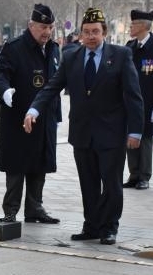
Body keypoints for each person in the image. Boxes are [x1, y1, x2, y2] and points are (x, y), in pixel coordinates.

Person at [24, 7, 143, 246]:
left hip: (111, 134)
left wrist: (136, 130)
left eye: (95, 32)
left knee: (111, 184)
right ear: (80, 33)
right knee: (88, 184)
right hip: (82, 134)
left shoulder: (120, 56)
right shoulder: (72, 57)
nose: (91, 36)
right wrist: (34, 108)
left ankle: (109, 227)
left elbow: (133, 96)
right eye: (87, 32)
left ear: (104, 33)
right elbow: (52, 87)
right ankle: (92, 226)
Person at [0, 4, 61, 225]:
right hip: (19, 116)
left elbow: (58, 79)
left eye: (50, 27)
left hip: (45, 116)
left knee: (40, 163)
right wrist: (4, 92)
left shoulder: (53, 48)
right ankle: (11, 210)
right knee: (16, 165)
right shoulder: (15, 48)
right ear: (31, 25)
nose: (47, 32)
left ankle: (34, 208)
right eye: (43, 27)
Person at [123, 9, 153, 190]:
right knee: (130, 137)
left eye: (133, 24)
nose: (130, 27)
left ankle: (144, 175)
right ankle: (133, 174)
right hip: (130, 102)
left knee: (145, 139)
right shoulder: (129, 47)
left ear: (143, 26)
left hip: (149, 101)